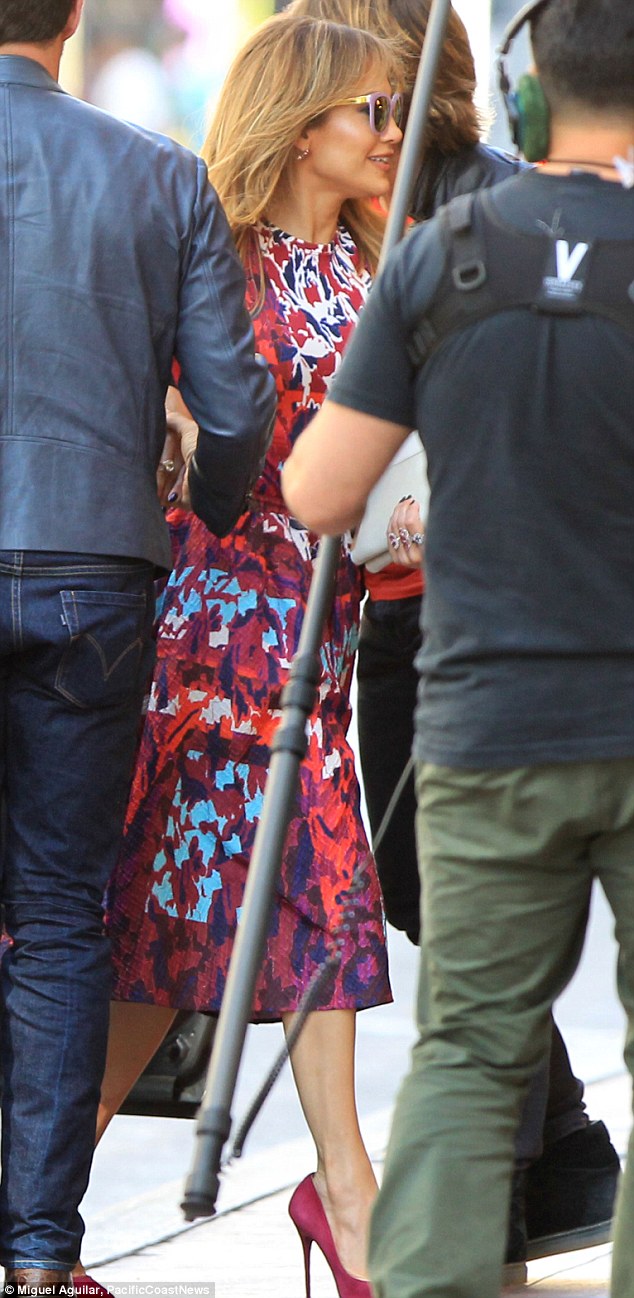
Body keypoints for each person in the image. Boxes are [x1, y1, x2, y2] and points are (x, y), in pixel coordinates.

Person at [281, 0, 634, 1292]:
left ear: (526, 95)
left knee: (471, 1049)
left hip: (486, 725)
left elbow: (320, 494)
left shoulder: (444, 256)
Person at [73, 14, 403, 1298]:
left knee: (216, 917)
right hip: (208, 644)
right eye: (368, 111)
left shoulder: (378, 272)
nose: (387, 133)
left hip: (321, 643)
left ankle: (35, 1206)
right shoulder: (213, 259)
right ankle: (345, 1198)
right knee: (215, 911)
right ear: (301, 121)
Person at [0, 1, 276, 1294]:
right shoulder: (159, 173)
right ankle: (41, 1251)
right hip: (93, 565)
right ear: (71, 20)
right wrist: (203, 501)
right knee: (59, 914)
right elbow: (235, 403)